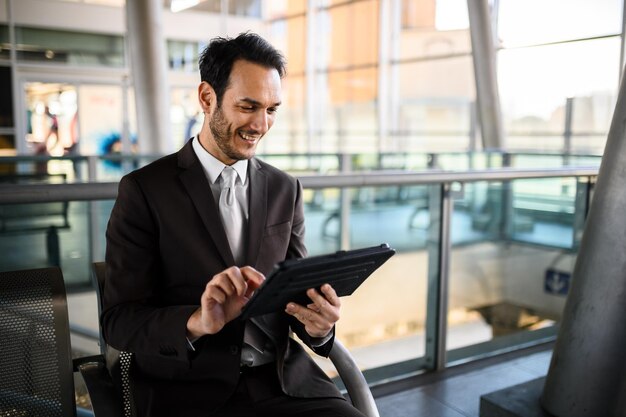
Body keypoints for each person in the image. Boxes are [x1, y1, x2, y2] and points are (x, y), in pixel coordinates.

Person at [102, 32, 366, 417]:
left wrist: (320, 327)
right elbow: (119, 321)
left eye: (272, 109)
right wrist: (196, 321)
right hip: (190, 391)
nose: (261, 124)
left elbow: (292, 297)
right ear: (207, 98)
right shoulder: (144, 190)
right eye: (248, 106)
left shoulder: (284, 188)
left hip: (283, 383)